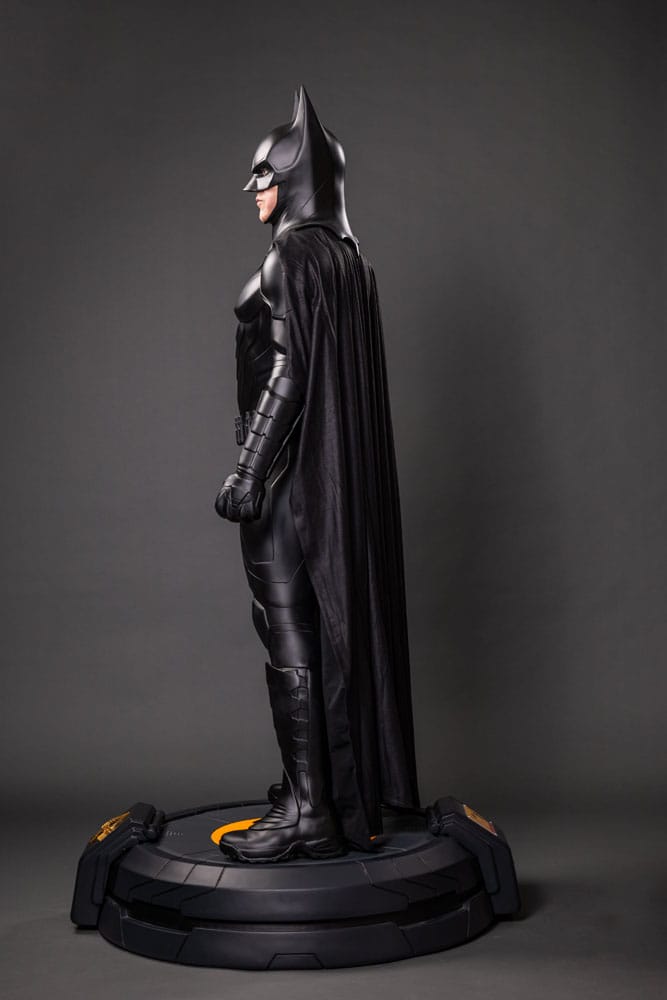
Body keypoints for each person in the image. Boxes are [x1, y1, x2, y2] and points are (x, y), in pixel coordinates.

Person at [214, 87, 420, 863]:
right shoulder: (345, 264)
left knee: (289, 637)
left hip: (287, 485)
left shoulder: (290, 259)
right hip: (324, 484)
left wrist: (247, 472)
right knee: (312, 634)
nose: (255, 191)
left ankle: (309, 812)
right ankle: (323, 791)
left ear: (296, 179)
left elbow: (290, 375)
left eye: (265, 177)